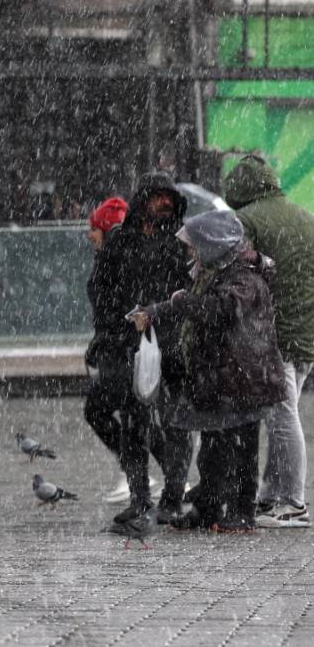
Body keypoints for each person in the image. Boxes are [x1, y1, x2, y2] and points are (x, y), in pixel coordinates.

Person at [131, 210, 286, 532]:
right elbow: (198, 305)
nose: (192, 252)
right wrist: (158, 310)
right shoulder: (217, 271)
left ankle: (242, 511)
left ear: (215, 245)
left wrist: (182, 301)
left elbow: (220, 310)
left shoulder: (244, 276)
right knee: (214, 447)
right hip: (222, 378)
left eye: (196, 245)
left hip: (242, 380)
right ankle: (209, 506)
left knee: (241, 449)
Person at [93, 172, 193, 524]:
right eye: (158, 197)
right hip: (129, 346)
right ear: (144, 200)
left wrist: (163, 318)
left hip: (174, 345)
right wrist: (114, 328)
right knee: (134, 424)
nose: (165, 203)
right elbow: (99, 290)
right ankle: (139, 498)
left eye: (170, 198)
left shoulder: (183, 242)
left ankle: (173, 495)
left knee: (177, 421)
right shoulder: (120, 242)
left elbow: (191, 295)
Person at [223, 155, 314, 528]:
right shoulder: (303, 215)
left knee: (281, 416)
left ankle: (293, 501)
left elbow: (239, 272)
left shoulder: (247, 220)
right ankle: (271, 494)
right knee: (283, 411)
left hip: (274, 333)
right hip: (308, 331)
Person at [82, 196, 133, 503]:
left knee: (100, 410)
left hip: (120, 351)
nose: (90, 235)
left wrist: (106, 340)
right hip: (118, 348)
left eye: (94, 228)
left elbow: (113, 309)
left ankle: (142, 474)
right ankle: (149, 475)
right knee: (133, 416)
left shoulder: (113, 256)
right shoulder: (119, 252)